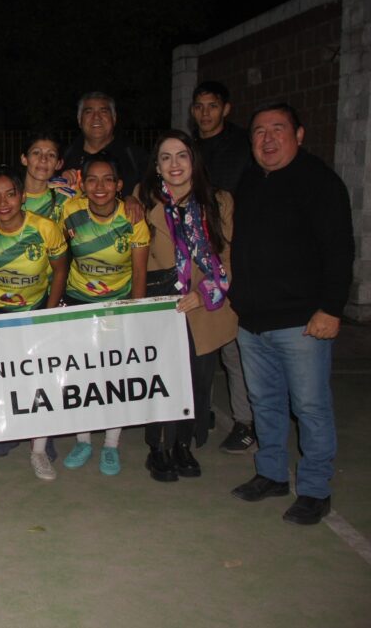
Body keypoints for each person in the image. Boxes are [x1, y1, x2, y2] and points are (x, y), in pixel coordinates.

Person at [229, 103, 353, 526]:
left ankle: (316, 490)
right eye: (259, 131)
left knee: (310, 407)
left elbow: (340, 250)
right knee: (265, 402)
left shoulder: (319, 182)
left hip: (302, 322)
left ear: (298, 135)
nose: (267, 138)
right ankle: (271, 473)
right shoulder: (249, 181)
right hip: (252, 321)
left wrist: (331, 308)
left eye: (278, 129)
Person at [137, 130, 236, 481]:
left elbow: (227, 256)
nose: (174, 164)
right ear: (157, 166)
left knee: (195, 379)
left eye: (182, 155)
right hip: (159, 307)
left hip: (202, 307)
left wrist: (205, 292)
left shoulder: (219, 201)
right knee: (160, 379)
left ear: (194, 160)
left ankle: (182, 445)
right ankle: (158, 448)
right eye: (165, 157)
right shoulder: (142, 200)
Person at [0, 168, 68, 480]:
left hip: (35, 309)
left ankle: (39, 450)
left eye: (10, 194)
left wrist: (49, 314)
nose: (3, 202)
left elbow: (59, 270)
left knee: (38, 380)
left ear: (23, 197)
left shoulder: (45, 228)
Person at [60, 155, 149, 476]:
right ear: (82, 185)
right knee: (80, 374)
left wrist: (135, 313)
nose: (100, 186)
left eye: (107, 179)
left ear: (119, 185)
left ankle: (111, 444)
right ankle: (83, 440)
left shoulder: (132, 217)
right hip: (78, 300)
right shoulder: (69, 211)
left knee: (114, 375)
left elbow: (140, 272)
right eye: (92, 180)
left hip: (118, 303)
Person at [190, 81, 256, 454]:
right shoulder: (190, 147)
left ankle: (246, 421)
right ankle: (202, 411)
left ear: (226, 109)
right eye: (199, 106)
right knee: (199, 345)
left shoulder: (244, 146)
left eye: (212, 106)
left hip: (229, 253)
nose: (205, 113)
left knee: (232, 345)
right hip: (194, 256)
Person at [62, 92, 149, 197]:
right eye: (89, 112)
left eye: (103, 111)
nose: (96, 117)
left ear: (114, 118)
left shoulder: (135, 158)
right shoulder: (63, 158)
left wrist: (133, 199)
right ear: (79, 120)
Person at [20, 132, 78, 223]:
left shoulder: (65, 193)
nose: (43, 159)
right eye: (36, 153)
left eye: (51, 155)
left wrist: (72, 177)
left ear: (59, 164)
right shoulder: (10, 196)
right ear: (24, 159)